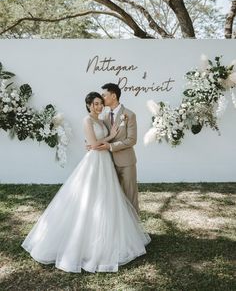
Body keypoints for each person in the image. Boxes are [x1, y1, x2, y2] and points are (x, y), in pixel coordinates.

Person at [21, 92, 151, 273]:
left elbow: (95, 142)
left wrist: (102, 140)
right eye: (95, 104)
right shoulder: (87, 120)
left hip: (106, 161)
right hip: (95, 161)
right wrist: (108, 137)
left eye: (100, 103)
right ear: (89, 105)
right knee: (90, 196)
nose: (99, 106)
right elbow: (93, 143)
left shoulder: (102, 119)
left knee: (108, 197)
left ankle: (113, 235)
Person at [97, 83, 140, 215]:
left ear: (113, 96)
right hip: (108, 163)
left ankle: (135, 231)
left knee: (130, 196)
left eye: (104, 95)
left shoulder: (129, 115)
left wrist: (111, 146)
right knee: (112, 197)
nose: (102, 98)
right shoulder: (103, 117)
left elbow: (132, 140)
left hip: (126, 162)